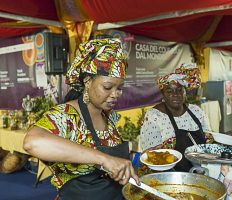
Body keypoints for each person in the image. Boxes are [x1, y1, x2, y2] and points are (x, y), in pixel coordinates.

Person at [23, 38, 139, 200]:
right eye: (107, 87)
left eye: (119, 88)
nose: (115, 94)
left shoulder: (107, 115)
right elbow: (32, 142)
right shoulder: (66, 115)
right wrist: (104, 159)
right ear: (87, 82)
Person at [140, 63, 212, 172]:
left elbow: (209, 139)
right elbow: (152, 156)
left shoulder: (196, 111)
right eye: (169, 91)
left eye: (179, 90)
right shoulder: (154, 116)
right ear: (162, 94)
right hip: (169, 174)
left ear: (185, 92)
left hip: (200, 169)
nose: (175, 94)